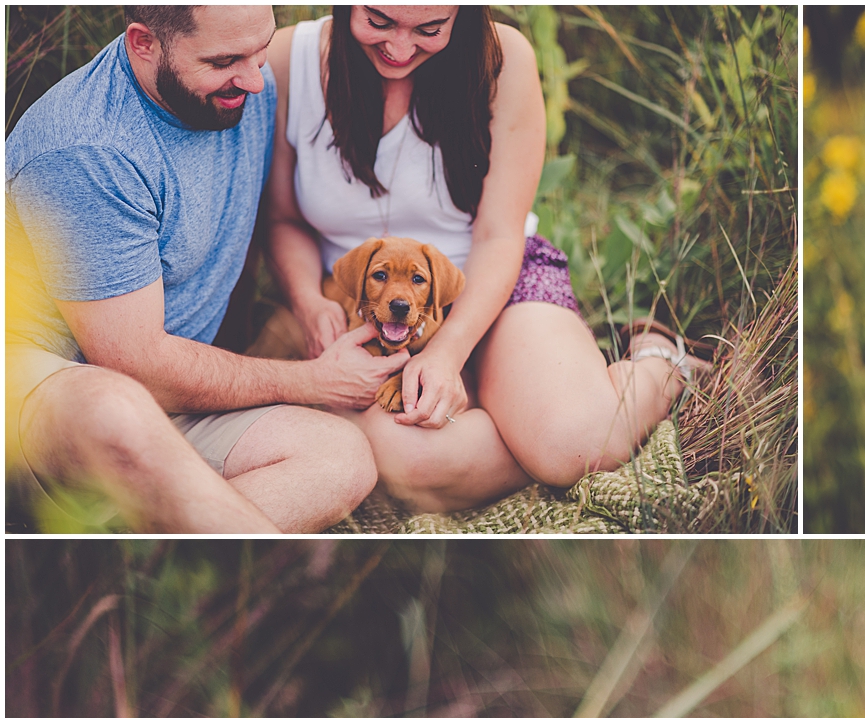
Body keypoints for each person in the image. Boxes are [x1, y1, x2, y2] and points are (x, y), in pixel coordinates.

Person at [261, 6, 706, 515]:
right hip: (368, 301)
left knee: (580, 444)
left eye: (429, 29)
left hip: (497, 279)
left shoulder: (504, 58)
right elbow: (283, 221)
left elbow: (500, 235)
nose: (401, 50)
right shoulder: (285, 61)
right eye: (379, 22)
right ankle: (535, 422)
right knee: (405, 457)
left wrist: (447, 352)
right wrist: (308, 302)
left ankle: (660, 359)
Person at [5, 6, 405, 534]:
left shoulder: (243, 85)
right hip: (46, 393)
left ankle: (153, 545)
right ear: (144, 43)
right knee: (116, 407)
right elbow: (136, 364)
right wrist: (312, 381)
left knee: (342, 459)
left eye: (262, 50)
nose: (254, 80)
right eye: (224, 61)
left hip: (174, 398)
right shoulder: (89, 149)